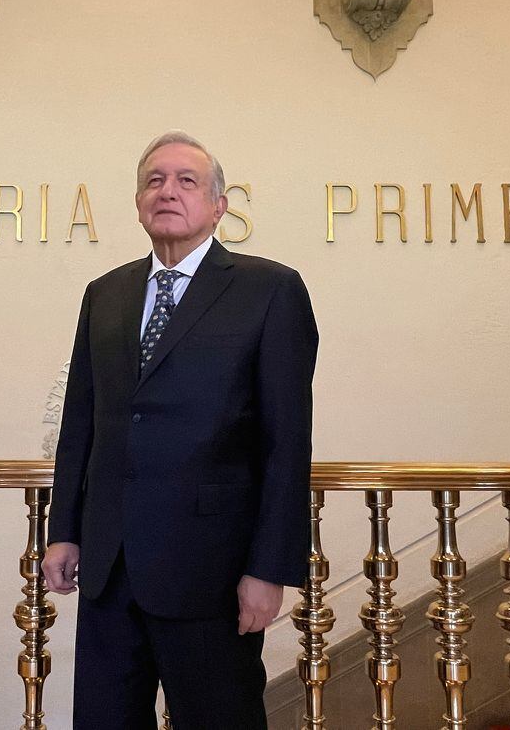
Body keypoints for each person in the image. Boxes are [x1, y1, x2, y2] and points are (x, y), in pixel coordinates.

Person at [42, 131, 319, 729]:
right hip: (109, 569)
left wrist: (269, 569)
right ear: (139, 201)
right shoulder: (105, 293)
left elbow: (286, 444)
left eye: (186, 181)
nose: (167, 191)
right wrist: (63, 529)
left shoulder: (270, 290)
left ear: (219, 205)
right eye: (154, 180)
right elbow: (81, 422)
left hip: (212, 572)